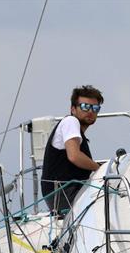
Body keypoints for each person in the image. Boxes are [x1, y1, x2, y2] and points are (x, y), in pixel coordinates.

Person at [41, 85, 103, 215]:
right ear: (73, 109)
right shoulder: (70, 121)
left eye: (95, 108)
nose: (91, 111)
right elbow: (74, 156)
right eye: (85, 107)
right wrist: (99, 168)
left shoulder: (76, 131)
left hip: (66, 193)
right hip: (65, 193)